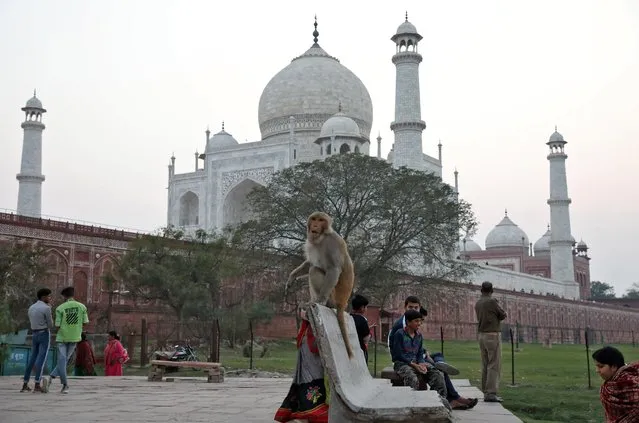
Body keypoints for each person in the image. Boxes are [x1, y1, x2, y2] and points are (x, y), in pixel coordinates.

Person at [388, 296, 478, 409]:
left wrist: (421, 362)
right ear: (408, 319)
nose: (419, 323)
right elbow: (397, 354)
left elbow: (419, 351)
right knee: (413, 378)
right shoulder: (399, 331)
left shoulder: (418, 334)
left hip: (416, 360)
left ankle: (440, 402)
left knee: (437, 373)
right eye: (411, 307)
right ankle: (414, 405)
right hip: (403, 362)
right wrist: (415, 364)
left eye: (416, 308)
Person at [274, 308, 329, 422]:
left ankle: (307, 411)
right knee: (310, 383)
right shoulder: (308, 330)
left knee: (313, 382)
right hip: (309, 362)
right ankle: (308, 412)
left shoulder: (312, 329)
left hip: (312, 362)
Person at [47, 286, 89, 394]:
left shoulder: (60, 308)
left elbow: (57, 325)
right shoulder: (82, 307)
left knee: (62, 361)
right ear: (73, 294)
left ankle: (62, 384)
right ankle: (53, 379)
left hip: (62, 337)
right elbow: (85, 322)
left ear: (64, 296)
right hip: (75, 337)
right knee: (64, 361)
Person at [474, 281, 507, 403]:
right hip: (492, 335)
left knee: (485, 364)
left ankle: (486, 391)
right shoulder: (492, 301)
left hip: (481, 335)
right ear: (492, 290)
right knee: (494, 364)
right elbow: (502, 315)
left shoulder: (478, 303)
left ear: (481, 290)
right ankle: (491, 393)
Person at [592, 346, 639, 422]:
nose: (597, 370)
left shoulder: (628, 382)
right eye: (596, 366)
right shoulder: (612, 382)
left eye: (601, 366)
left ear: (614, 366)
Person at [21, 288, 53, 393]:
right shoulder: (46, 308)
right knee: (41, 359)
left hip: (34, 333)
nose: (50, 298)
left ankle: (25, 383)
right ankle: (37, 383)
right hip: (44, 333)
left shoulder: (31, 307)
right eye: (49, 296)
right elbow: (50, 324)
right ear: (43, 297)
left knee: (32, 358)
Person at [350, 294, 372, 364]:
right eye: (366, 307)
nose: (366, 309)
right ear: (362, 307)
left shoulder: (348, 317)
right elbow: (366, 338)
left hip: (349, 349)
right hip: (360, 350)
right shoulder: (362, 320)